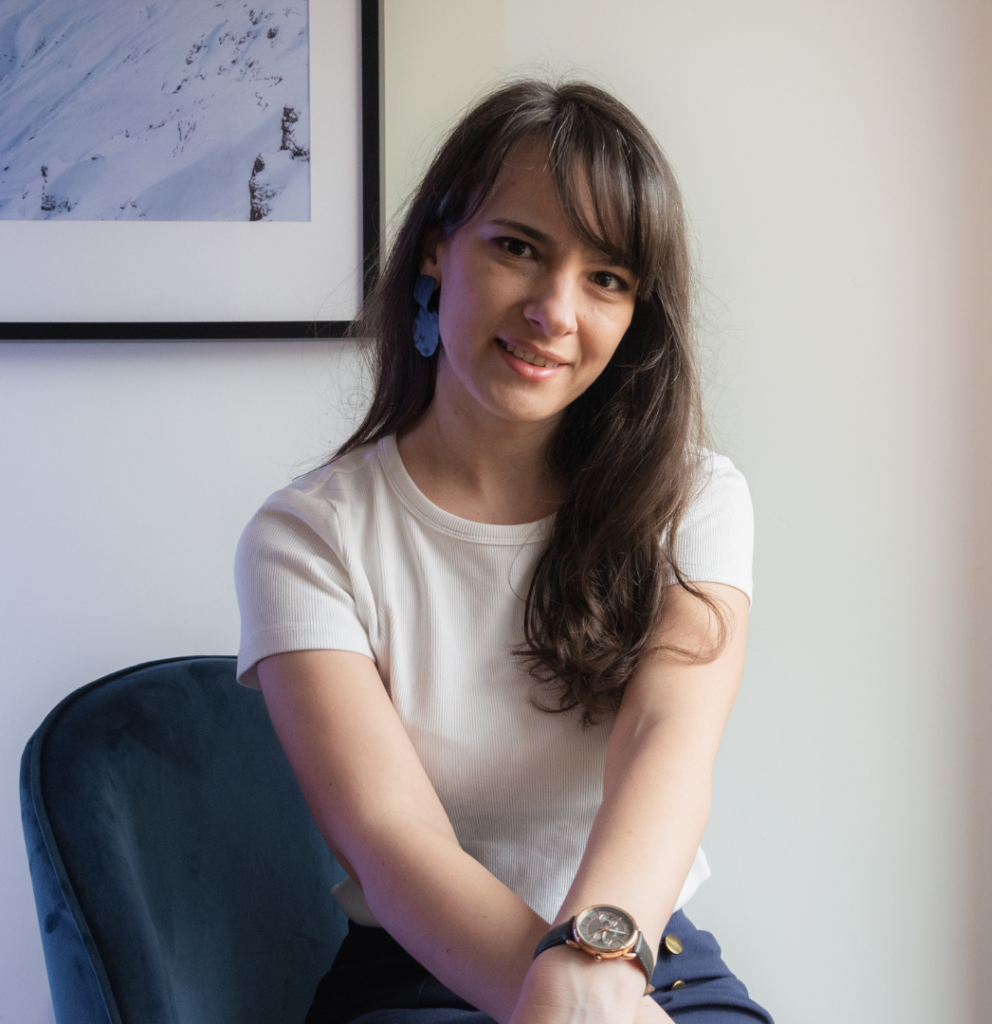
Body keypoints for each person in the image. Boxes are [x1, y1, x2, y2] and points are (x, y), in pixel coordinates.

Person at [234, 79, 773, 1024]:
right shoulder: (307, 537)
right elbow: (394, 841)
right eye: (518, 247)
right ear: (437, 248)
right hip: (418, 970)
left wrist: (599, 973)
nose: (556, 311)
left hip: (648, 953)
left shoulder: (694, 499)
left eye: (607, 278)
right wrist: (565, 998)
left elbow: (666, 741)